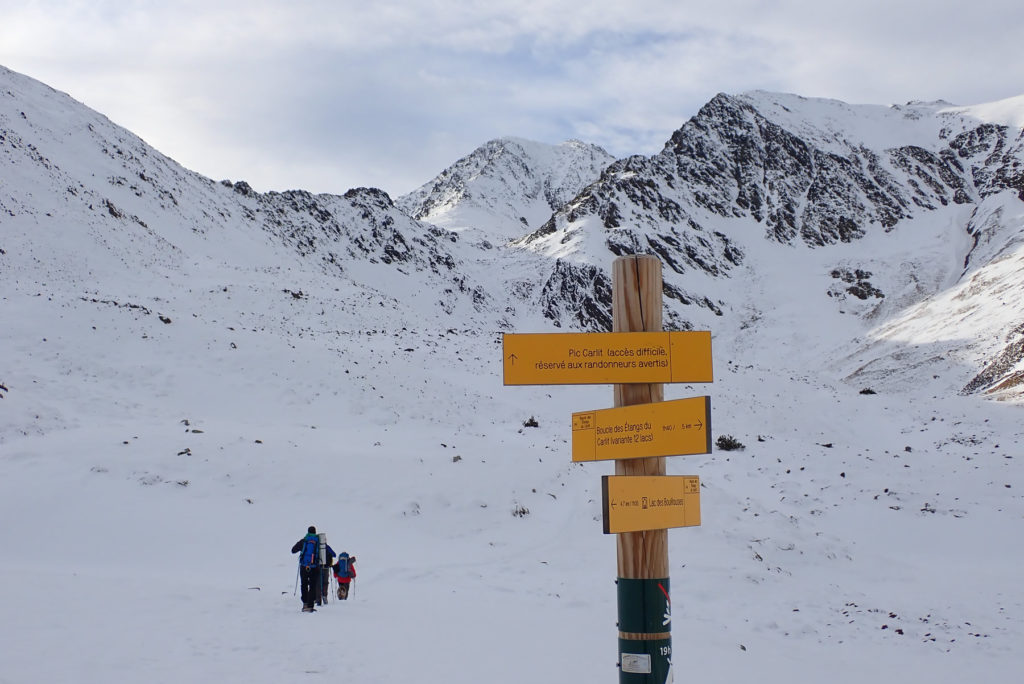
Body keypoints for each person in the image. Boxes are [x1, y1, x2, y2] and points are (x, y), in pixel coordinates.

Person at [291, 526, 321, 612]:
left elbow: (293, 550)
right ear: (315, 532)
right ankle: (310, 605)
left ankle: (305, 604)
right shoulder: (318, 541)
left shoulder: (304, 540)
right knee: (312, 585)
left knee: (304, 584)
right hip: (314, 567)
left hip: (304, 566)